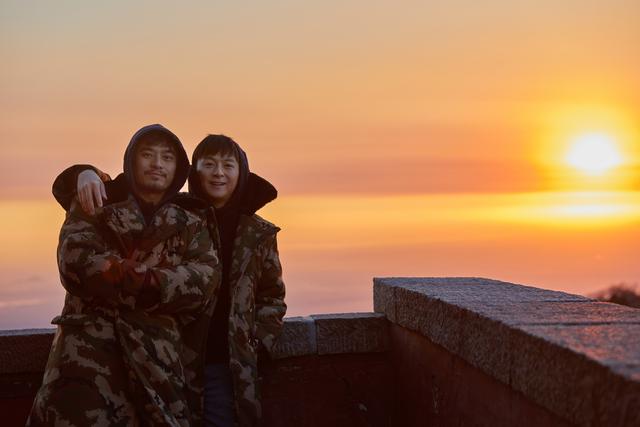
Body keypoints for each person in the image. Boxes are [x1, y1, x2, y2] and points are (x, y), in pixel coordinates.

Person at [51, 134, 287, 427]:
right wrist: (85, 172)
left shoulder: (243, 231)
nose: (218, 172)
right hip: (161, 358)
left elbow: (234, 288)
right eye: (209, 164)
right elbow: (78, 264)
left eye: (228, 165)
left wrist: (257, 344)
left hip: (220, 361)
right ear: (193, 171)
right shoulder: (178, 212)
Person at [28, 124, 220, 426]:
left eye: (167, 158)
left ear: (178, 169)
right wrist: (148, 283)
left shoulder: (191, 222)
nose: (157, 163)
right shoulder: (97, 200)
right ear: (131, 160)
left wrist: (139, 281)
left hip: (158, 369)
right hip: (86, 366)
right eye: (148, 154)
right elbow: (76, 262)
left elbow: (203, 279)